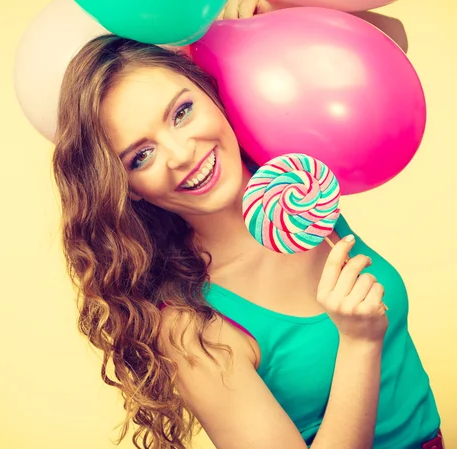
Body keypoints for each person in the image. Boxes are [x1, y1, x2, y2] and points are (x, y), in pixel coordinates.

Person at [52, 33, 441, 449]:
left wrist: (262, 22)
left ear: (211, 93)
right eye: (140, 156)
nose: (181, 154)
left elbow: (388, 38)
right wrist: (359, 343)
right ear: (128, 187)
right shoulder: (190, 324)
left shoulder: (297, 182)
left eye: (182, 112)